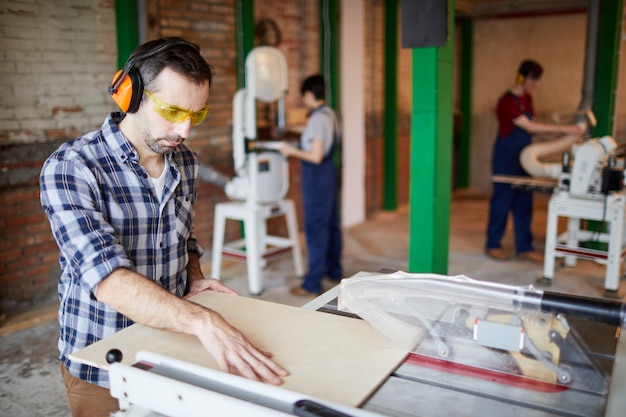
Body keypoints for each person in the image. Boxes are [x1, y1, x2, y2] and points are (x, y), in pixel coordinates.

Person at [40, 37, 288, 417]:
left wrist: (194, 277)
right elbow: (107, 279)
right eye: (172, 111)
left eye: (197, 115)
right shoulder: (72, 167)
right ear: (130, 94)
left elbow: (184, 236)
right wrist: (203, 320)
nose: (185, 130)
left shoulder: (185, 162)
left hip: (171, 348)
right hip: (103, 363)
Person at [485, 59, 584, 263]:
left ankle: (525, 248)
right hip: (506, 158)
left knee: (523, 204)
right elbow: (530, 127)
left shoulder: (527, 99)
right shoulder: (506, 102)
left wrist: (562, 138)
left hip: (525, 158)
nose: (535, 84)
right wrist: (566, 129)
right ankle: (493, 245)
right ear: (522, 77)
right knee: (502, 203)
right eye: (533, 79)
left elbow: (537, 131)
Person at [279, 75, 343, 297]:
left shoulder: (316, 120)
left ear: (308, 95)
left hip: (316, 177)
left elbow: (315, 156)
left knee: (316, 228)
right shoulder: (330, 114)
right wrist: (299, 134)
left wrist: (290, 151)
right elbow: (320, 140)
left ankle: (312, 284)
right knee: (331, 224)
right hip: (329, 175)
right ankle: (334, 271)